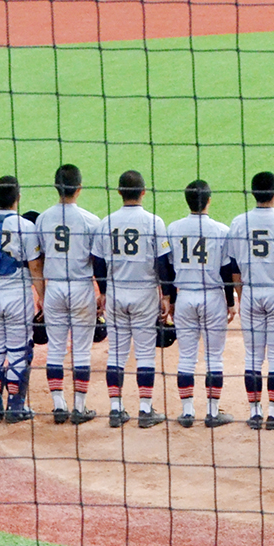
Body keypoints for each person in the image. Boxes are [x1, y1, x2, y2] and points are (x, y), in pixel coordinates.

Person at [89, 170, 175, 427]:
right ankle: (145, 411)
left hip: (115, 294)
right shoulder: (154, 222)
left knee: (116, 352)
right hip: (144, 294)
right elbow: (162, 263)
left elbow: (98, 262)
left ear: (118, 192)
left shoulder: (107, 222)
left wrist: (103, 292)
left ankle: (116, 409)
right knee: (146, 354)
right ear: (143, 192)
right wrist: (167, 296)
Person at [223, 171, 274, 429]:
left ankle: (255, 413)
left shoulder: (238, 222)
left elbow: (233, 266)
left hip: (251, 292)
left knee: (253, 356)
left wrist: (240, 293)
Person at [33, 164, 103, 424]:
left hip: (54, 289)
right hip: (81, 287)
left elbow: (38, 259)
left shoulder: (43, 218)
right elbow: (98, 262)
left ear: (56, 187)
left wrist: (41, 293)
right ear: (80, 188)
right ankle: (80, 408)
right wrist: (101, 292)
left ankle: (58, 405)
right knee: (82, 351)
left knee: (55, 349)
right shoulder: (91, 220)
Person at [0, 176, 42, 422]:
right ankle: (15, 406)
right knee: (19, 351)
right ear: (18, 197)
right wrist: (42, 297)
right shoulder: (27, 226)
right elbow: (34, 267)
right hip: (17, 296)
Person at [167, 181, 235, 428]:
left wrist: (171, 300)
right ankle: (212, 412)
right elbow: (227, 270)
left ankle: (186, 413)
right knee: (214, 357)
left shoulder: (173, 228)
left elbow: (166, 266)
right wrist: (230, 303)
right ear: (209, 200)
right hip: (212, 297)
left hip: (184, 296)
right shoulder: (221, 230)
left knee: (186, 356)